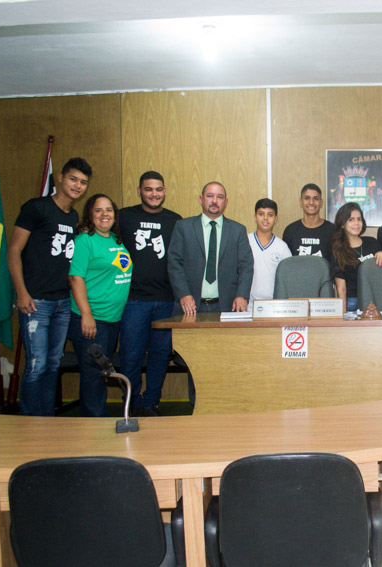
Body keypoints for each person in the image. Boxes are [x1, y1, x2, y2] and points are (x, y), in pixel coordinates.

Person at [8, 157, 91, 416]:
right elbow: (13, 250)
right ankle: (30, 422)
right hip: (36, 302)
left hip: (62, 302)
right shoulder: (37, 208)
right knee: (36, 365)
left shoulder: (74, 215)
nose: (77, 186)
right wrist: (21, 292)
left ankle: (46, 420)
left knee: (53, 364)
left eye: (83, 182)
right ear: (60, 178)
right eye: (73, 179)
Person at [117, 171, 182, 417]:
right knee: (131, 356)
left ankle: (151, 402)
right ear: (139, 191)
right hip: (134, 300)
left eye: (158, 189)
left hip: (166, 301)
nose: (154, 194)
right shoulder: (124, 217)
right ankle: (130, 404)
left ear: (164, 191)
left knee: (159, 356)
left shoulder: (176, 220)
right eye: (148, 189)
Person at [67, 194, 132, 417]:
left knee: (100, 371)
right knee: (93, 373)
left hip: (112, 319)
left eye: (109, 210)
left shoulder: (115, 239)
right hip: (93, 319)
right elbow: (75, 277)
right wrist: (86, 315)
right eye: (98, 210)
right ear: (90, 215)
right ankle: (94, 423)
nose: (105, 215)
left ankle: (96, 419)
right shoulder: (85, 240)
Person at [168, 182, 253, 315]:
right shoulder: (183, 227)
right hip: (190, 306)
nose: (214, 201)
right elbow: (174, 263)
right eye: (209, 196)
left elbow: (246, 266)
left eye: (220, 197)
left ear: (226, 202)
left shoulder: (238, 230)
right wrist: (183, 294)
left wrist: (242, 295)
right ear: (201, 199)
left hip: (227, 306)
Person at [331, 203, 382, 312]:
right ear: (342, 224)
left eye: (359, 219)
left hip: (377, 299)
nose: (356, 223)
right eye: (351, 219)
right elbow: (341, 289)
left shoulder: (372, 242)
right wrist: (343, 314)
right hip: (353, 302)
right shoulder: (338, 251)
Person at [248, 198, 291, 302]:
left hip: (274, 305)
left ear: (276, 219)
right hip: (247, 304)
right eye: (261, 214)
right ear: (255, 217)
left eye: (270, 215)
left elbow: (288, 278)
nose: (265, 218)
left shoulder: (282, 247)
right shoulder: (245, 242)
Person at [282, 183, 334, 258]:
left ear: (321, 202)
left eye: (316, 198)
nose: (311, 202)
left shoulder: (332, 231)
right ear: (300, 202)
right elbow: (287, 264)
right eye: (307, 198)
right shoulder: (290, 231)